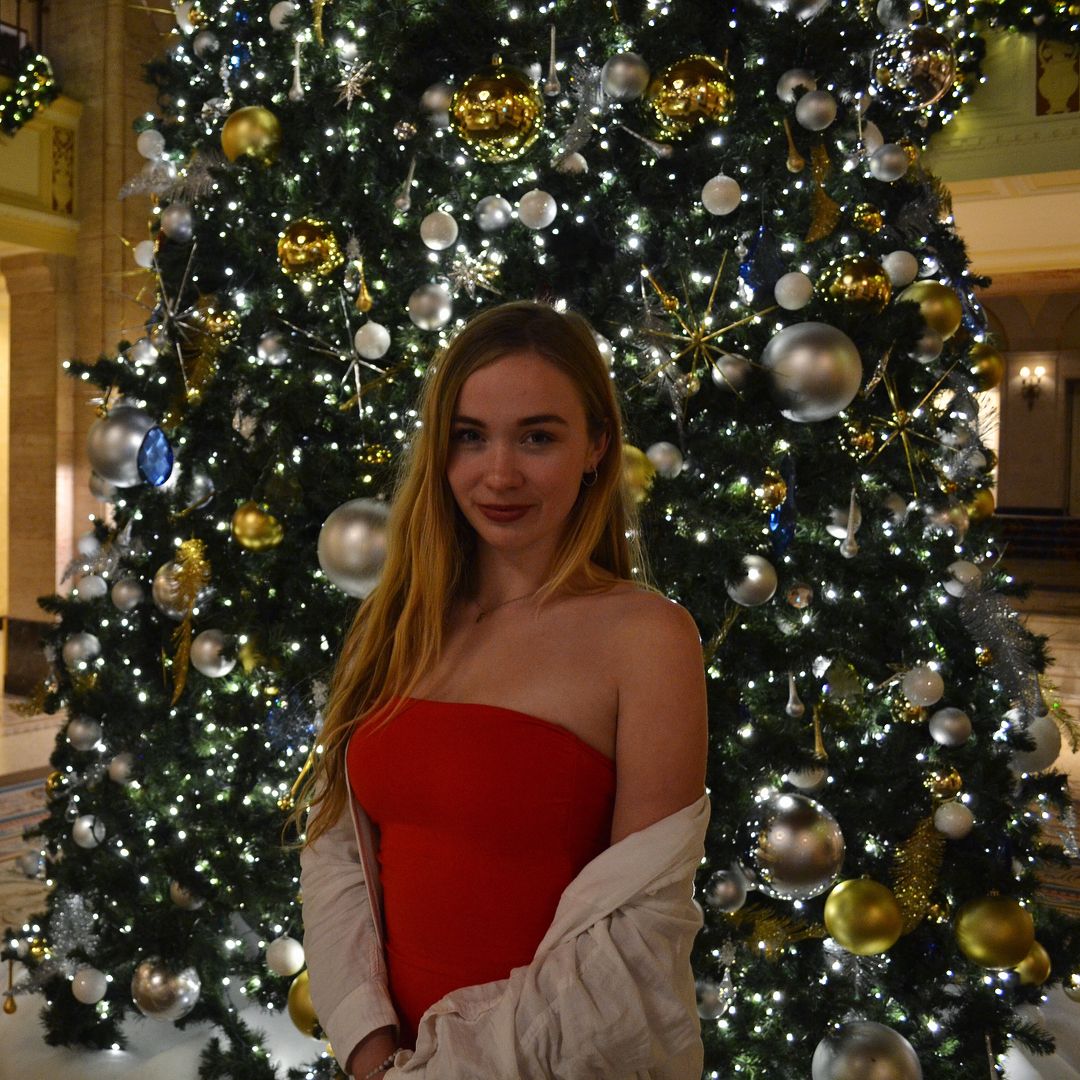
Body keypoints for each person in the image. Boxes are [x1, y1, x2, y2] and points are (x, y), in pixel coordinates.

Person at [292, 299, 710, 1078]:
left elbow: (633, 943)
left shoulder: (647, 638)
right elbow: (338, 852)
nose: (499, 474)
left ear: (596, 447)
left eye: (538, 437)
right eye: (470, 436)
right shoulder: (397, 620)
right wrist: (371, 1052)